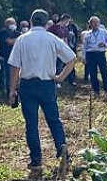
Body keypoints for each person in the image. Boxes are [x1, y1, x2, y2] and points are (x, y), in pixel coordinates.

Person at [8, 9, 78, 169]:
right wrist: (60, 77)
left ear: (30, 22)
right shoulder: (52, 38)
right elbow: (72, 58)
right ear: (47, 24)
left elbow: (15, 67)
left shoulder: (22, 39)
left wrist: (12, 90)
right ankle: (63, 152)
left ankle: (36, 158)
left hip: (27, 85)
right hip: (47, 84)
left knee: (31, 124)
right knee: (54, 120)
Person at [82, 16, 107, 97]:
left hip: (100, 54)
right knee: (93, 73)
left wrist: (105, 45)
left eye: (96, 22)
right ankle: (96, 90)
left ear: (99, 23)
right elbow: (84, 47)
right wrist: (84, 57)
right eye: (93, 22)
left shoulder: (103, 32)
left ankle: (106, 90)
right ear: (90, 24)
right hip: (90, 54)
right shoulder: (87, 34)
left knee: (104, 72)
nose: (95, 24)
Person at [0, 18, 20, 93]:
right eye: (11, 23)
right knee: (5, 75)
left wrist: (14, 41)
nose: (13, 25)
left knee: (14, 75)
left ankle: (14, 90)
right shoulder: (2, 33)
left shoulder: (17, 33)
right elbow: (10, 41)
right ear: (7, 24)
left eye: (14, 23)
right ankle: (4, 91)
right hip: (5, 57)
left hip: (15, 57)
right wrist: (15, 40)